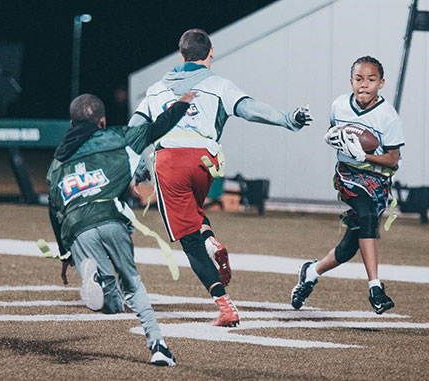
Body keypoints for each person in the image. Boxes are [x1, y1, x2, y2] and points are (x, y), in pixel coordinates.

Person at [129, 28, 312, 327]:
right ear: (210, 53)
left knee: (189, 243)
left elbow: (136, 128)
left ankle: (225, 305)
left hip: (171, 160)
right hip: (205, 163)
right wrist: (287, 119)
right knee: (194, 214)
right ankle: (211, 240)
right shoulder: (218, 84)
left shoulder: (156, 88)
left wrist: (138, 165)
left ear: (182, 54)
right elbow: (250, 110)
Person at [47, 91, 196, 366]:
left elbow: (53, 210)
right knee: (131, 284)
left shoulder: (57, 164)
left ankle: (94, 279)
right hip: (112, 217)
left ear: (71, 125)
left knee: (110, 302)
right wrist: (182, 104)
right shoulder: (120, 137)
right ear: (102, 122)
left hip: (78, 228)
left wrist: (65, 254)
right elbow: (157, 127)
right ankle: (158, 346)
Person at [291, 56, 404, 314]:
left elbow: (393, 161)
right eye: (358, 79)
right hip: (348, 175)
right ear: (351, 81)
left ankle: (311, 271)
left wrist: (364, 155)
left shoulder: (388, 117)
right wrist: (335, 139)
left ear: (381, 83)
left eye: (371, 80)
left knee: (348, 248)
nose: (364, 85)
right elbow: (334, 132)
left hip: (376, 181)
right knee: (366, 216)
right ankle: (375, 288)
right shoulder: (340, 105)